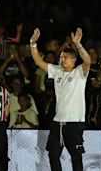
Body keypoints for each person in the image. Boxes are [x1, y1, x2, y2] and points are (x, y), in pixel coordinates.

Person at [29, 27, 91, 171]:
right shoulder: (57, 71)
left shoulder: (79, 73)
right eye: (61, 57)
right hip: (57, 122)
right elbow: (38, 62)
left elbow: (87, 61)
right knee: (53, 155)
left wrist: (78, 44)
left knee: (76, 156)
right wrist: (33, 43)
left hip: (74, 123)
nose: (62, 59)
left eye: (65, 57)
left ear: (74, 60)